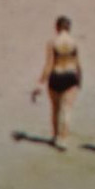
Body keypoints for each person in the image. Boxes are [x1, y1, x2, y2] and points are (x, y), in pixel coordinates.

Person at [33, 16, 81, 149]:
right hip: (70, 75)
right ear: (69, 27)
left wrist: (41, 82)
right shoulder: (74, 42)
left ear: (57, 27)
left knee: (55, 109)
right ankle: (64, 139)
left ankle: (55, 136)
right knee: (67, 109)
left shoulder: (52, 42)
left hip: (56, 75)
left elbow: (49, 64)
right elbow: (77, 63)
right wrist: (80, 79)